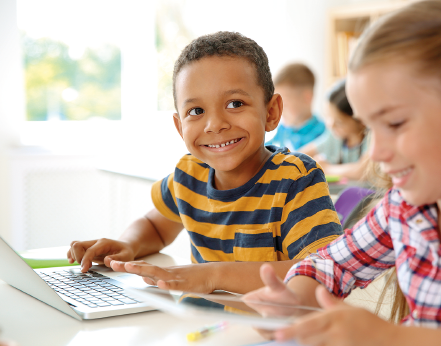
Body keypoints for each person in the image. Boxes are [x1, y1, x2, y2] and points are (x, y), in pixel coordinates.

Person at [243, 0, 441, 344]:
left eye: (395, 122)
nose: (375, 152)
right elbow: (334, 263)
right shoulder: (403, 208)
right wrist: (296, 297)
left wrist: (390, 338)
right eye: (370, 128)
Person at [66, 31, 342, 295]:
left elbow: (323, 270)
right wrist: (129, 243)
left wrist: (212, 275)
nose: (215, 125)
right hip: (204, 325)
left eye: (234, 104)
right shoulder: (188, 175)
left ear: (271, 112)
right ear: (179, 126)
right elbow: (155, 226)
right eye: (196, 111)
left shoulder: (296, 179)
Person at [298, 78, 369, 180]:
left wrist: (326, 168)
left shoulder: (371, 138)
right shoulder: (334, 136)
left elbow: (362, 171)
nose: (330, 125)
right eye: (328, 117)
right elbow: (300, 155)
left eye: (339, 122)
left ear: (361, 120)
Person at [267, 63, 326, 151]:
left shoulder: (323, 133)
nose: (279, 112)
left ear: (307, 98)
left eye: (285, 105)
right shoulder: (282, 130)